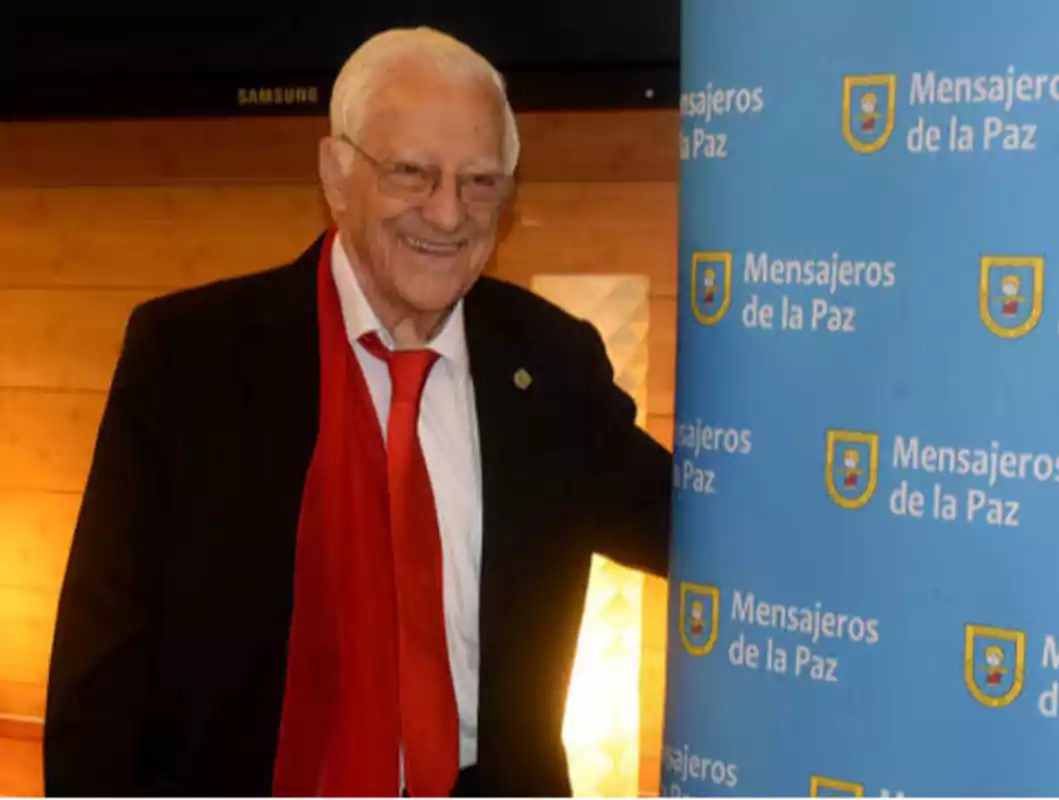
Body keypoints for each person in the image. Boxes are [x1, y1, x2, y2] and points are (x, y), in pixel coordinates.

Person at [42, 26, 672, 798]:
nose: (447, 215)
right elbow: (101, 664)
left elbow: (693, 526)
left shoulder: (552, 361)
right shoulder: (190, 358)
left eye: (480, 182)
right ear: (336, 174)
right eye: (412, 173)